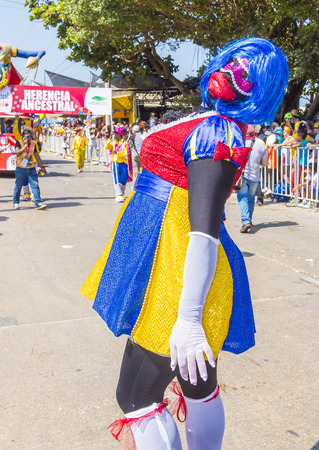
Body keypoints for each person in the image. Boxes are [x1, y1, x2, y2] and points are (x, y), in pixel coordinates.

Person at [81, 37, 288, 449]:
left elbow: (203, 232)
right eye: (230, 63)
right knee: (196, 386)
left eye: (245, 73)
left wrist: (189, 318)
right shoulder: (214, 121)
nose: (230, 74)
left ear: (261, 89)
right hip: (170, 267)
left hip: (176, 277)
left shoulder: (217, 130)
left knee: (136, 396)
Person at [237, 126, 268, 232]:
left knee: (242, 198)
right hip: (255, 176)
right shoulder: (261, 144)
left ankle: (246, 221)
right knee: (251, 199)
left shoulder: (241, 142)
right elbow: (264, 163)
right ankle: (248, 220)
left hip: (242, 175)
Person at [12, 127, 47, 210]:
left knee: (35, 185)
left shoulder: (33, 144)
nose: (28, 138)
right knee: (18, 186)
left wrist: (42, 166)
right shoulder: (19, 142)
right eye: (26, 136)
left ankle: (38, 202)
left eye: (30, 136)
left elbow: (36, 156)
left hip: (31, 168)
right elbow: (17, 153)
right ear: (23, 136)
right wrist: (25, 146)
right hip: (21, 168)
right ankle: (16, 202)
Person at [106, 127, 133, 203]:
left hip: (124, 163)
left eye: (116, 134)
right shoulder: (113, 143)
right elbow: (107, 146)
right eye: (114, 133)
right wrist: (110, 137)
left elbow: (126, 155)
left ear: (120, 135)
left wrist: (117, 153)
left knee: (124, 179)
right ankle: (118, 194)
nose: (114, 135)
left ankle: (122, 192)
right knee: (117, 178)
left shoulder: (125, 144)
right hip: (115, 163)